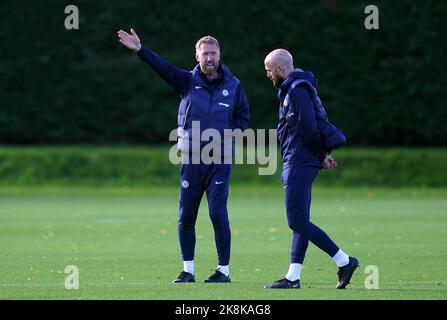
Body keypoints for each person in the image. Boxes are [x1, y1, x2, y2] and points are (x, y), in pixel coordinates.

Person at [117, 29, 250, 283]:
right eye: (205, 54)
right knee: (186, 215)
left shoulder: (233, 86)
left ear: (219, 55)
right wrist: (141, 50)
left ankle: (224, 271)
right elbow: (162, 67)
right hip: (192, 160)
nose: (209, 58)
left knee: (217, 213)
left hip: (219, 161)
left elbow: (243, 116)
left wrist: (229, 134)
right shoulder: (186, 81)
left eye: (213, 53)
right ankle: (188, 270)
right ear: (197, 56)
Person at [263, 49, 359, 289]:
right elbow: (308, 127)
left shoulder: (297, 89)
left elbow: (308, 126)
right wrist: (322, 155)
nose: (268, 74)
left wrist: (318, 153)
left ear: (282, 69)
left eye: (269, 70)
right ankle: (293, 278)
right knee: (301, 220)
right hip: (300, 158)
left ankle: (344, 261)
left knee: (296, 221)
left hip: (299, 160)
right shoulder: (294, 88)